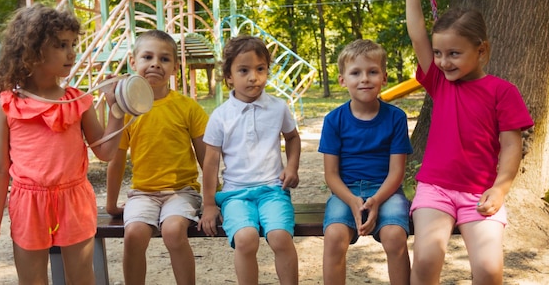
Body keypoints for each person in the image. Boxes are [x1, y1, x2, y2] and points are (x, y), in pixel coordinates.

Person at [0, 4, 126, 285]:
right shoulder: (5, 107)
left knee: (82, 278)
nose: (71, 53)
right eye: (60, 45)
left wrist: (117, 111)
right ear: (32, 51)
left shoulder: (77, 101)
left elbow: (104, 153)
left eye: (73, 44)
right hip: (27, 203)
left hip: (74, 199)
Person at [405, 0, 534, 284]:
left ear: (481, 50)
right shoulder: (439, 81)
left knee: (489, 270)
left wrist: (500, 188)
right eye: (438, 53)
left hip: (480, 193)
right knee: (425, 259)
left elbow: (510, 147)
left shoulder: (503, 92)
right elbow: (417, 34)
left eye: (454, 53)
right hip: (435, 190)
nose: (443, 61)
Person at [106, 29, 208, 285]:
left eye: (164, 59)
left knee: (173, 231)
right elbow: (115, 161)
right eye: (147, 57)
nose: (155, 64)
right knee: (134, 235)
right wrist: (110, 205)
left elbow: (207, 159)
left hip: (182, 191)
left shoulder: (187, 107)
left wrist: (212, 202)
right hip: (143, 193)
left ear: (174, 67)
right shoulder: (126, 111)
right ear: (133, 62)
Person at [198, 35, 301, 285]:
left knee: (280, 237)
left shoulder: (278, 107)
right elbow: (210, 163)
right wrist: (209, 204)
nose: (253, 77)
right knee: (245, 239)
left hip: (273, 191)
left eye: (260, 69)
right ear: (229, 76)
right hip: (235, 194)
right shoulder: (221, 116)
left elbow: (293, 138)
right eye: (243, 70)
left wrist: (291, 166)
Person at [319, 39, 413, 285]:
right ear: (342, 80)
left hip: (386, 191)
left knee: (394, 236)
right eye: (356, 73)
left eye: (372, 72)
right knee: (334, 236)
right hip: (345, 192)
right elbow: (331, 175)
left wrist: (376, 200)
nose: (364, 79)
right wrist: (352, 201)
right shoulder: (334, 120)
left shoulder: (396, 118)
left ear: (384, 78)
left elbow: (397, 172)